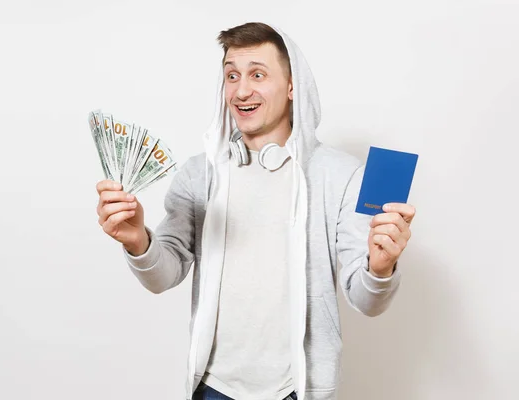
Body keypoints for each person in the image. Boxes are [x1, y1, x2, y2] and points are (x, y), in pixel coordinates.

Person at [95, 22, 416, 400]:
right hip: (213, 388)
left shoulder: (341, 176)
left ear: (293, 85)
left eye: (257, 75)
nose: (241, 90)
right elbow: (162, 277)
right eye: (232, 75)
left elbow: (367, 301)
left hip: (297, 391)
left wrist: (380, 269)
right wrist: (138, 240)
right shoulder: (200, 174)